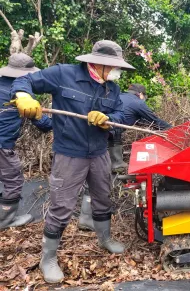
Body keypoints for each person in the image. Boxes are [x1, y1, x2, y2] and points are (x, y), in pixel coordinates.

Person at [10, 40, 135, 283]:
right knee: (61, 207)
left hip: (99, 153)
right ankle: (48, 258)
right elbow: (24, 80)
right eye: (113, 67)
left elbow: (120, 114)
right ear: (98, 64)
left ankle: (105, 238)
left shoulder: (112, 88)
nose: (116, 72)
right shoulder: (62, 74)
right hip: (69, 154)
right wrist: (24, 96)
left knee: (103, 196)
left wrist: (108, 119)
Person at [77, 84, 171, 230]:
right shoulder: (137, 102)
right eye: (144, 97)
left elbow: (127, 124)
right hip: (97, 140)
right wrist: (175, 131)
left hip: (95, 135)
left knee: (100, 173)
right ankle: (87, 217)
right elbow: (156, 122)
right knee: (99, 176)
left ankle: (95, 211)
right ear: (140, 94)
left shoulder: (119, 98)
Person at [0, 53, 52, 230]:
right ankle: (5, 221)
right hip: (2, 145)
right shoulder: (20, 95)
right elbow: (42, 123)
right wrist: (58, 124)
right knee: (13, 179)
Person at [107, 83, 171, 171]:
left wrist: (152, 127)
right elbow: (155, 120)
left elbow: (137, 120)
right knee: (116, 130)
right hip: (110, 128)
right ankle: (117, 165)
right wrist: (171, 129)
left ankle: (113, 163)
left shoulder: (119, 96)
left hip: (100, 125)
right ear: (140, 94)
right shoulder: (138, 103)